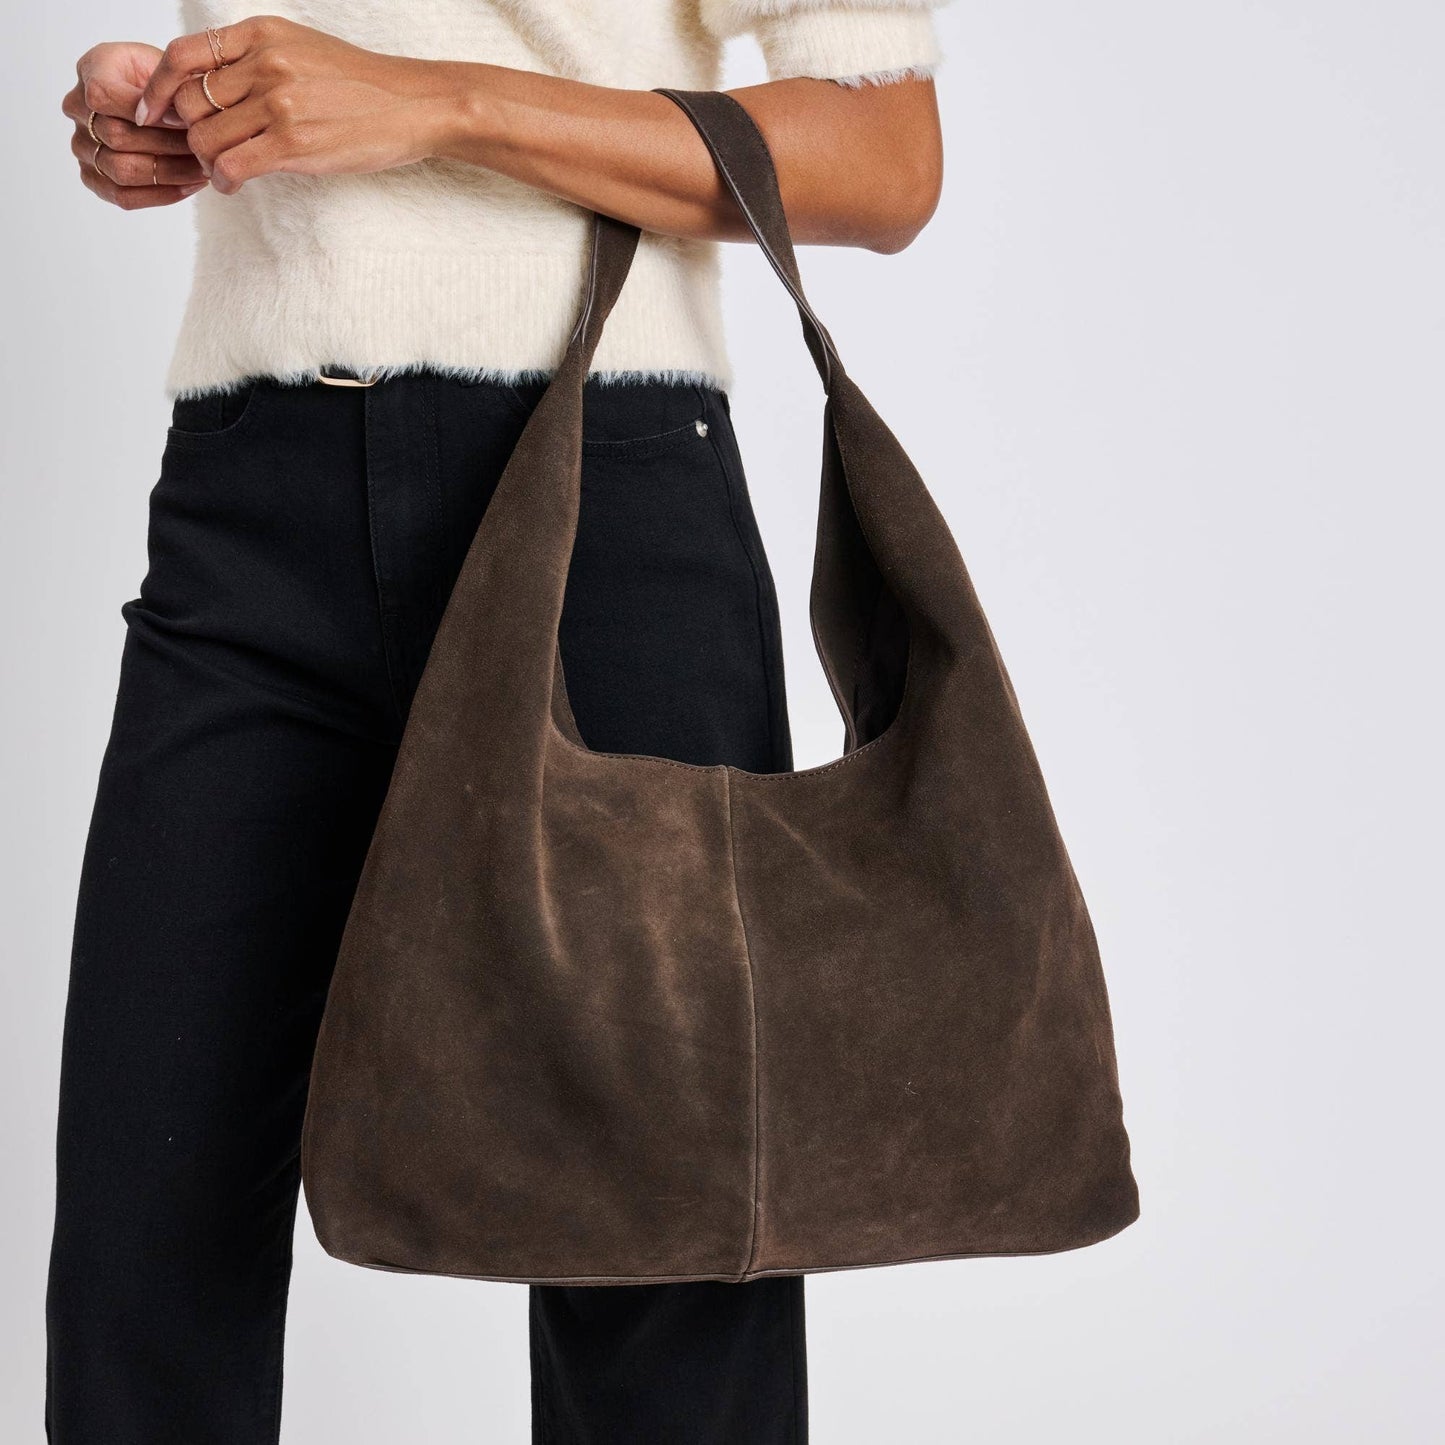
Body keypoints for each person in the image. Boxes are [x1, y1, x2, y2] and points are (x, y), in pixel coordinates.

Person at [48, 4, 947, 1441]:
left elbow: (886, 157)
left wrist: (435, 104)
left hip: (604, 482)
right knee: (140, 1248)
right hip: (249, 488)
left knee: (662, 1240)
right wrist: (175, 111)